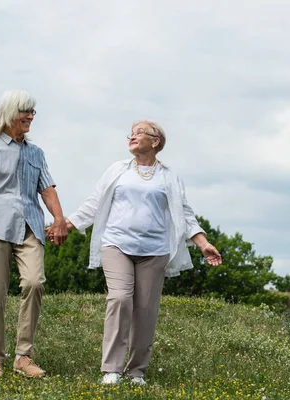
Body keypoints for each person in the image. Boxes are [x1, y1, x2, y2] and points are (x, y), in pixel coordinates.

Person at [60, 120, 222, 386]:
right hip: (116, 244)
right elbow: (94, 203)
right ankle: (111, 369)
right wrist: (64, 224)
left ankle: (136, 371)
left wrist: (203, 243)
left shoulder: (169, 176)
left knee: (146, 310)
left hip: (155, 250)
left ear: (155, 141)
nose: (132, 137)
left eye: (139, 133)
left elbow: (184, 213)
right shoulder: (117, 170)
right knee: (120, 299)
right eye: (131, 134)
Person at [0, 90, 68, 378]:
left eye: (33, 111)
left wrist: (59, 219)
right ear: (10, 113)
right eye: (26, 111)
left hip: (31, 226)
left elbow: (47, 189)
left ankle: (23, 357)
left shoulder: (36, 153)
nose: (31, 116)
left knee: (34, 282)